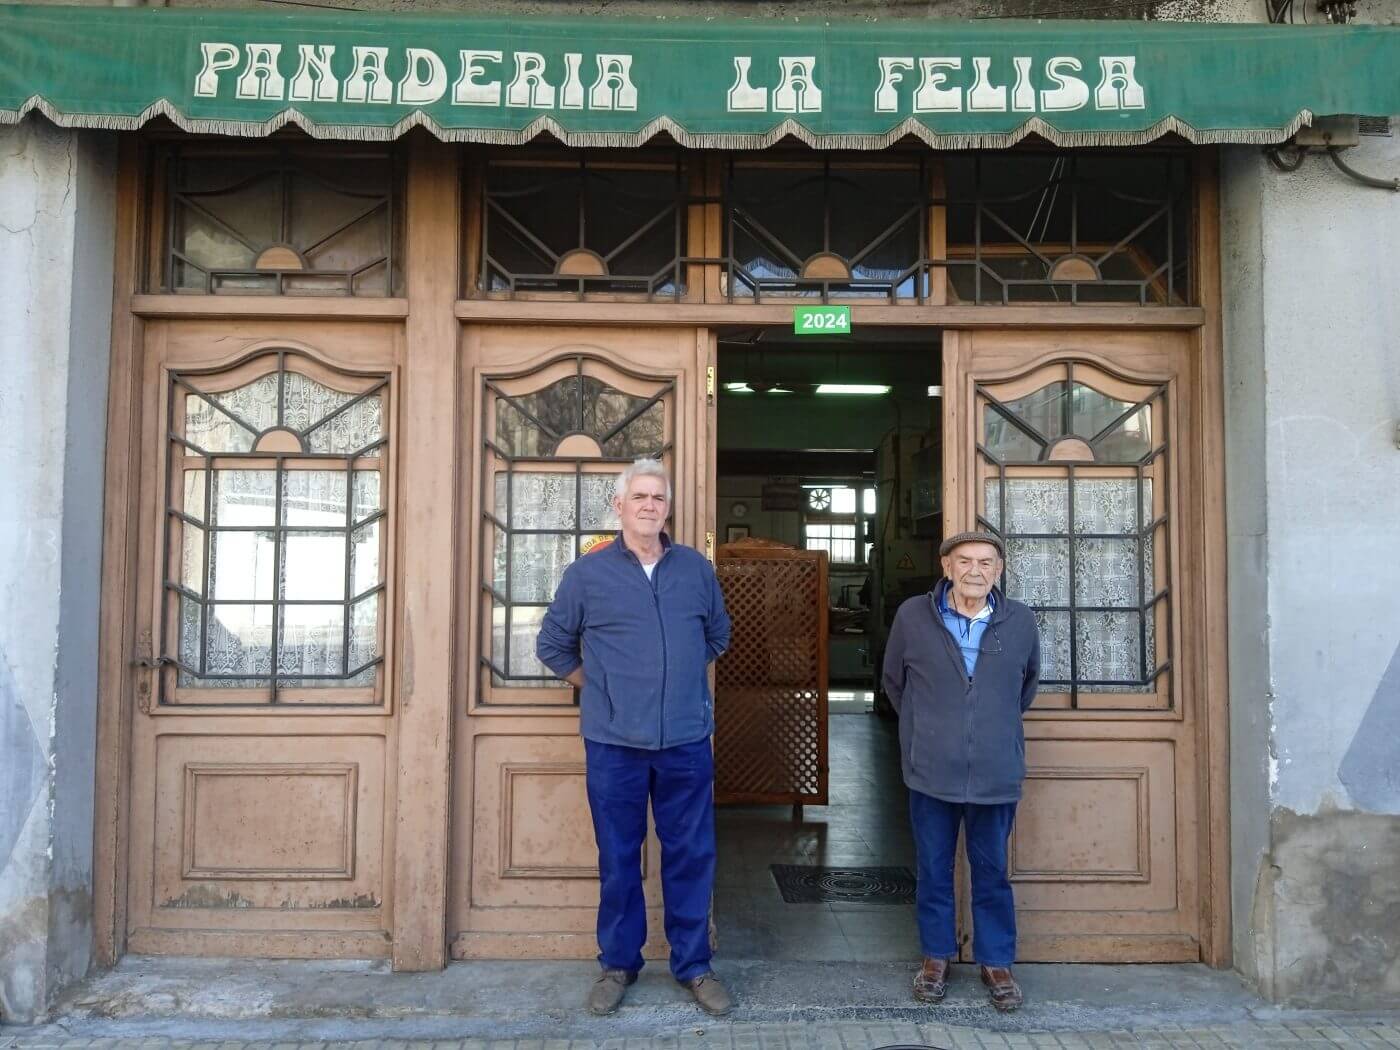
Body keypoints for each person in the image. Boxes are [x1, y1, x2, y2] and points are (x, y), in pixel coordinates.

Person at [536, 457, 733, 1018]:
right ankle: (618, 965)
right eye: (640, 497)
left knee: (691, 854)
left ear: (668, 509)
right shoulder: (587, 574)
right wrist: (603, 686)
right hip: (614, 743)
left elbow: (717, 635)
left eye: (658, 498)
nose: (650, 506)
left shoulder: (695, 569)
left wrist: (680, 684)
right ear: (619, 506)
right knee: (620, 856)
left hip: (685, 741)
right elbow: (552, 645)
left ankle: (694, 965)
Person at [881, 531, 1040, 1011]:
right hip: (931, 770)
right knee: (934, 869)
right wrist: (929, 731)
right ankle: (936, 958)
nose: (975, 570)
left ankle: (996, 962)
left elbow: (1026, 687)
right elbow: (894, 682)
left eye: (986, 562)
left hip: (995, 771)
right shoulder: (914, 616)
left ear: (999, 571)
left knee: (991, 871)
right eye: (965, 561)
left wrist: (988, 727)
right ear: (946, 567)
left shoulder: (1020, 621)